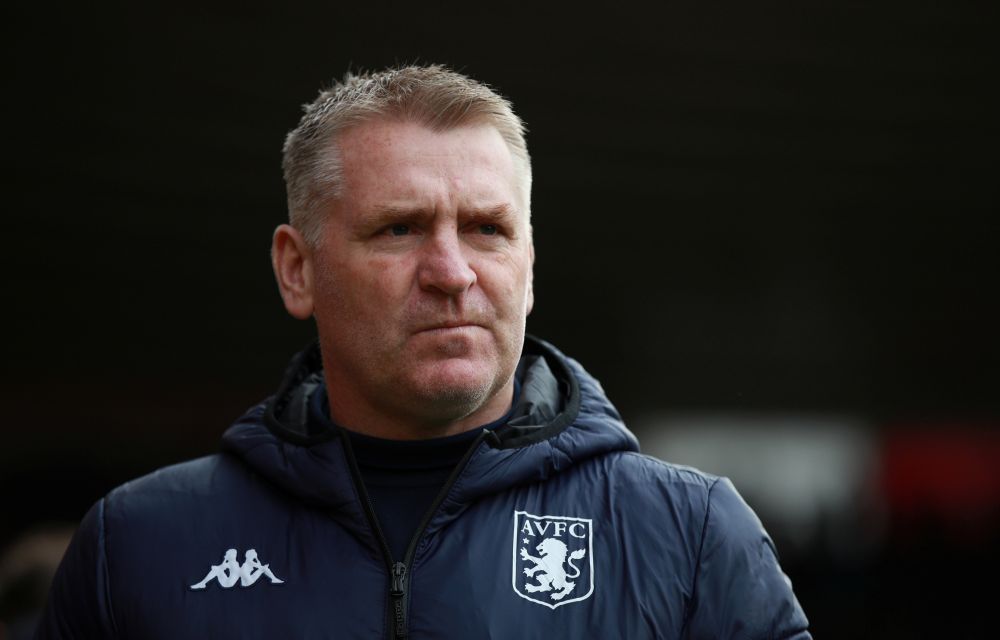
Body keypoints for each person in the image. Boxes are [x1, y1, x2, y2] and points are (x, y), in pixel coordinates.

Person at [36, 65, 810, 639]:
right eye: (399, 228)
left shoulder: (690, 537)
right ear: (296, 269)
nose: (451, 272)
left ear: (529, 267)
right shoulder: (135, 548)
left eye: (487, 229)